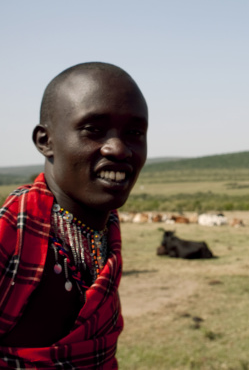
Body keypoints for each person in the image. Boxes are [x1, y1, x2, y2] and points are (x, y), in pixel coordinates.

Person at [0, 62, 148, 369]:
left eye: (134, 132)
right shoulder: (11, 235)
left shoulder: (105, 228)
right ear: (46, 141)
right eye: (93, 130)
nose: (119, 149)